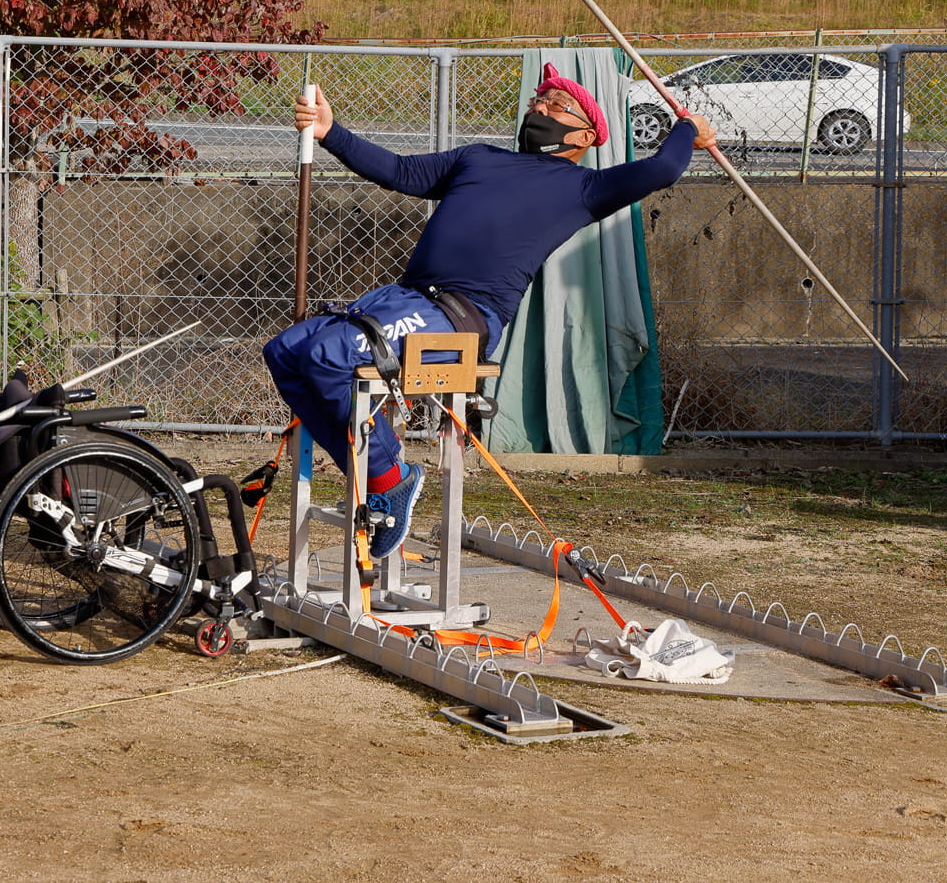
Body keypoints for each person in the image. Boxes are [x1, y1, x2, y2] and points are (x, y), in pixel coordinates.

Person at [262, 63, 716, 559]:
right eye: (536, 101)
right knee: (285, 351)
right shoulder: (477, 159)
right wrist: (330, 132)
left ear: (586, 134)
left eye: (554, 104)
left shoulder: (583, 189)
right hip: (405, 298)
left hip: (463, 315)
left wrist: (687, 128)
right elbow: (398, 171)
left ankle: (390, 478)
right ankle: (372, 474)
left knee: (328, 354)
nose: (539, 107)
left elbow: (662, 169)